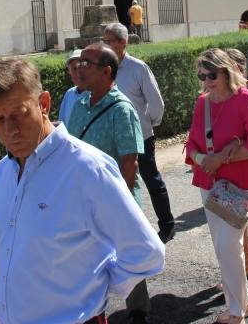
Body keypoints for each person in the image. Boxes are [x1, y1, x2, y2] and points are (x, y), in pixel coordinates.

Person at [0, 57, 165, 324]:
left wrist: (93, 291)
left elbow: (147, 252)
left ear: (43, 104)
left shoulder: (87, 169)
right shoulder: (2, 174)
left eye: (19, 114)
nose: (10, 130)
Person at [67, 43, 153, 324]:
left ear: (106, 72)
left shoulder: (122, 109)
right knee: (86, 256)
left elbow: (130, 162)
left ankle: (138, 311)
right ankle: (91, 311)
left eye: (87, 63)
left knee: (128, 255)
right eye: (79, 62)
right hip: (83, 196)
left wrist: (122, 203)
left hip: (116, 196)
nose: (80, 67)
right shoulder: (80, 103)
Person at [185, 49, 248, 324]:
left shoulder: (244, 99)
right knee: (223, 247)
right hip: (210, 182)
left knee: (228, 246)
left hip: (241, 184)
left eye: (212, 75)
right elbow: (192, 144)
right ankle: (243, 303)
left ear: (226, 72)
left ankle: (236, 312)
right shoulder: (202, 103)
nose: (207, 80)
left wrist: (223, 156)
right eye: (202, 75)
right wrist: (204, 159)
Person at [103, 23, 176, 243]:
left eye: (108, 41)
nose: (104, 45)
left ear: (122, 43)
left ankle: (167, 226)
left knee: (151, 180)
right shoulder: (102, 69)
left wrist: (147, 125)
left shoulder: (137, 68)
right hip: (112, 139)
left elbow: (156, 103)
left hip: (140, 136)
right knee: (118, 184)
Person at [224, 47, 248, 276]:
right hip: (232, 165)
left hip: (245, 165)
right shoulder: (224, 95)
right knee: (238, 222)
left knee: (238, 222)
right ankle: (246, 262)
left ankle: (245, 263)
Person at [57, 49, 85, 125]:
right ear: (69, 72)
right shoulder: (69, 94)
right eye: (74, 69)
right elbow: (61, 123)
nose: (78, 72)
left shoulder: (97, 94)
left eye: (81, 67)